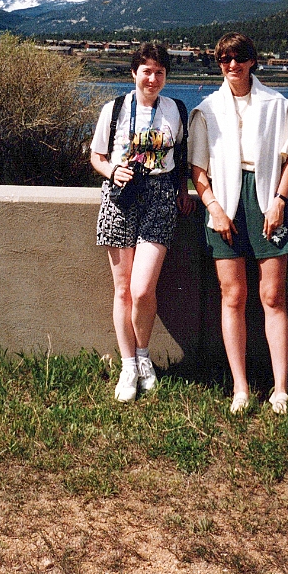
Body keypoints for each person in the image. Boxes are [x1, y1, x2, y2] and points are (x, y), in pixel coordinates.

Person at [188, 33, 288, 415]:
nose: (231, 65)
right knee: (233, 296)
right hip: (224, 203)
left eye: (238, 58)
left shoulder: (275, 104)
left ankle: (280, 388)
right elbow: (198, 171)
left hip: (267, 200)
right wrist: (215, 208)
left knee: (272, 296)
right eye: (223, 59)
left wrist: (279, 202)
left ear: (252, 61)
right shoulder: (206, 109)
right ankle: (241, 388)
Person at [91, 42, 194, 403]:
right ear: (134, 73)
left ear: (166, 76)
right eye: (146, 71)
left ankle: (144, 356)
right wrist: (111, 171)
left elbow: (180, 157)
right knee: (122, 289)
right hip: (121, 198)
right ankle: (128, 365)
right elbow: (97, 155)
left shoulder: (175, 110)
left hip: (160, 199)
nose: (152, 78)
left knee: (142, 290)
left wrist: (182, 190)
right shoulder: (115, 108)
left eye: (159, 72)